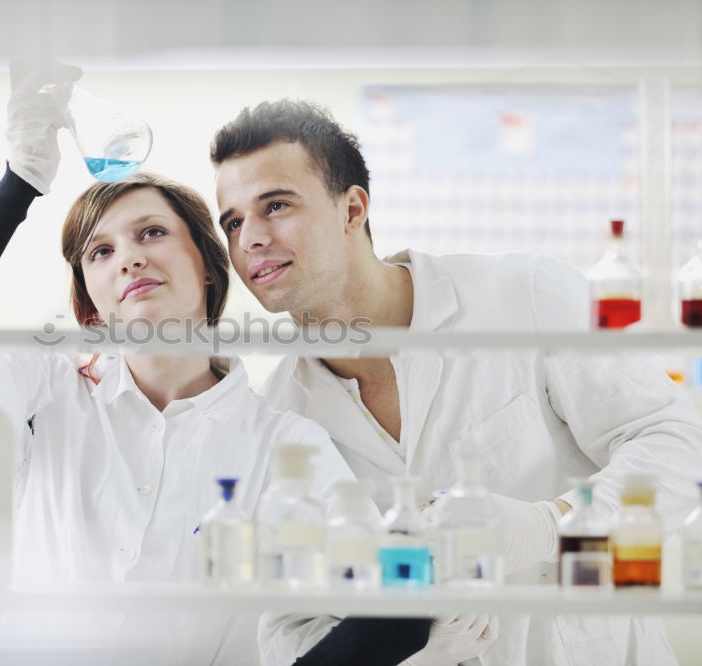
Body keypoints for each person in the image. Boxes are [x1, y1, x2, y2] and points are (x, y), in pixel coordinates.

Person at [0, 62, 432, 665]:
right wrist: (18, 184)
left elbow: (401, 610)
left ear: (209, 265)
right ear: (91, 303)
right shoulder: (46, 388)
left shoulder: (284, 444)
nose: (128, 257)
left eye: (152, 232)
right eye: (100, 251)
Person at [209, 99, 702, 665]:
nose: (250, 238)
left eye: (276, 205)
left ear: (352, 209)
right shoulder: (274, 418)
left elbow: (679, 446)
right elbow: (289, 631)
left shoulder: (527, 296)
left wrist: (550, 524)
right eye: (233, 221)